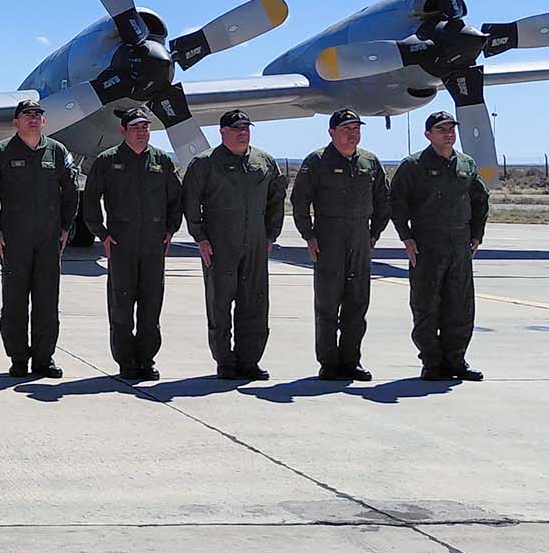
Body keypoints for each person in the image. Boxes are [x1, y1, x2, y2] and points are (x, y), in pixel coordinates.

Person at [0, 98, 80, 379]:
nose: (33, 119)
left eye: (37, 115)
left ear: (43, 121)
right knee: (14, 302)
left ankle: (44, 359)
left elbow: (71, 192)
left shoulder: (57, 152)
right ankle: (18, 358)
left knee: (47, 301)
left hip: (48, 240)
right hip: (14, 239)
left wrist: (65, 227)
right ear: (16, 122)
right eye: (27, 115)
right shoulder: (1, 152)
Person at [181, 109, 287, 381]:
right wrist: (200, 237)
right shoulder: (205, 163)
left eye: (246, 128)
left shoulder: (264, 162)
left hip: (255, 243)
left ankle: (249, 360)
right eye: (237, 128)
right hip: (219, 243)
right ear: (223, 132)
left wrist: (271, 235)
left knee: (254, 304)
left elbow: (276, 199)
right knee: (220, 303)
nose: (243, 132)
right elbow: (191, 202)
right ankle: (225, 361)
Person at [80, 108, 182, 382]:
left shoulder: (161, 160)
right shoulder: (107, 161)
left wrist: (171, 230)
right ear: (123, 131)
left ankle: (146, 360)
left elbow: (176, 198)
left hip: (153, 245)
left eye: (146, 127)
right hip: (121, 244)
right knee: (121, 306)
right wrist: (101, 233)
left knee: (151, 306)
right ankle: (126, 361)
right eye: (136, 127)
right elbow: (90, 200)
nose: (142, 131)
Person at [389, 110, 490, 382]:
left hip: (459, 242)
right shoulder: (413, 165)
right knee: (426, 304)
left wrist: (477, 234)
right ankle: (431, 362)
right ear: (428, 135)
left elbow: (480, 199)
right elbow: (396, 203)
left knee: (460, 304)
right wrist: (406, 237)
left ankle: (456, 360)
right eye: (441, 129)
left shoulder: (466, 164)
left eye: (451, 128)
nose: (448, 133)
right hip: (427, 242)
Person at [290, 108, 389, 381]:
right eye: (346, 128)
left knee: (357, 304)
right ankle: (329, 362)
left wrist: (374, 234)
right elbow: (300, 201)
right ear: (332, 132)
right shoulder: (318, 161)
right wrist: (308, 236)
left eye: (356, 128)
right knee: (327, 305)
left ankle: (351, 360)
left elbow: (384, 201)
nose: (353, 133)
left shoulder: (369, 162)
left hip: (359, 238)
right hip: (328, 238)